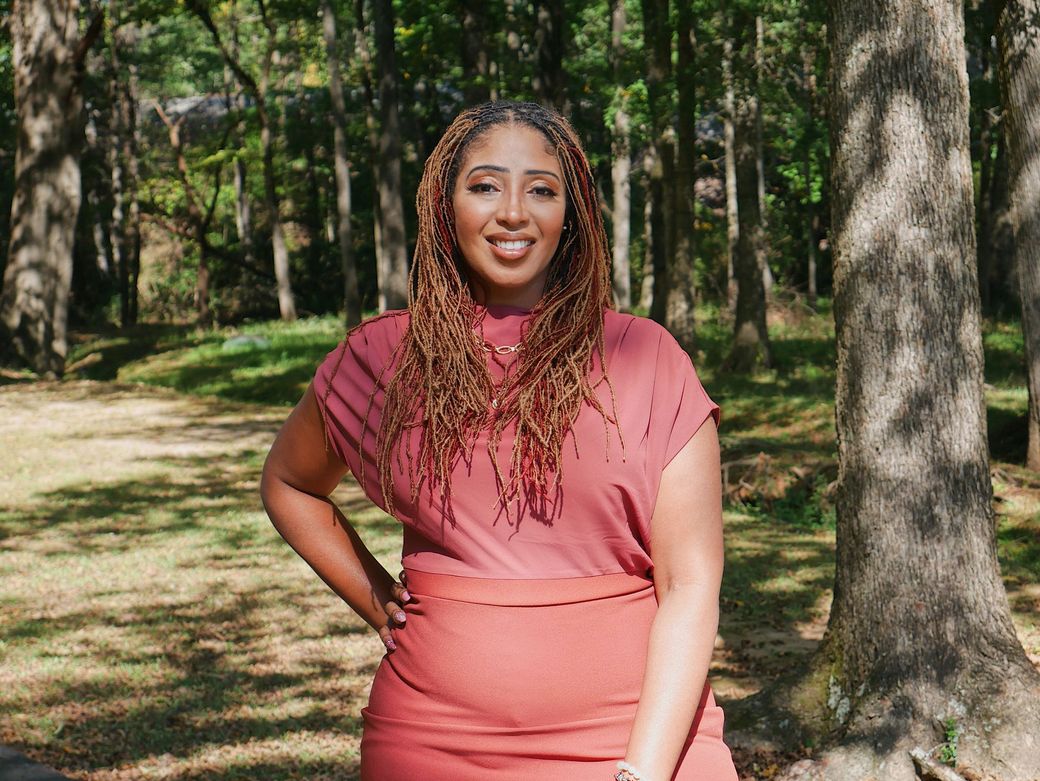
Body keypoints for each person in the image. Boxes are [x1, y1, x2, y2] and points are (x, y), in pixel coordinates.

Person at [260, 100, 738, 781]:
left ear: (569, 214)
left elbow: (690, 581)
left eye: (541, 190)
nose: (513, 212)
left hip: (637, 739)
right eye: (485, 185)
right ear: (443, 205)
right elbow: (289, 483)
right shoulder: (383, 356)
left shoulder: (646, 358)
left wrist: (644, 771)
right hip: (432, 742)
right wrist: (372, 596)